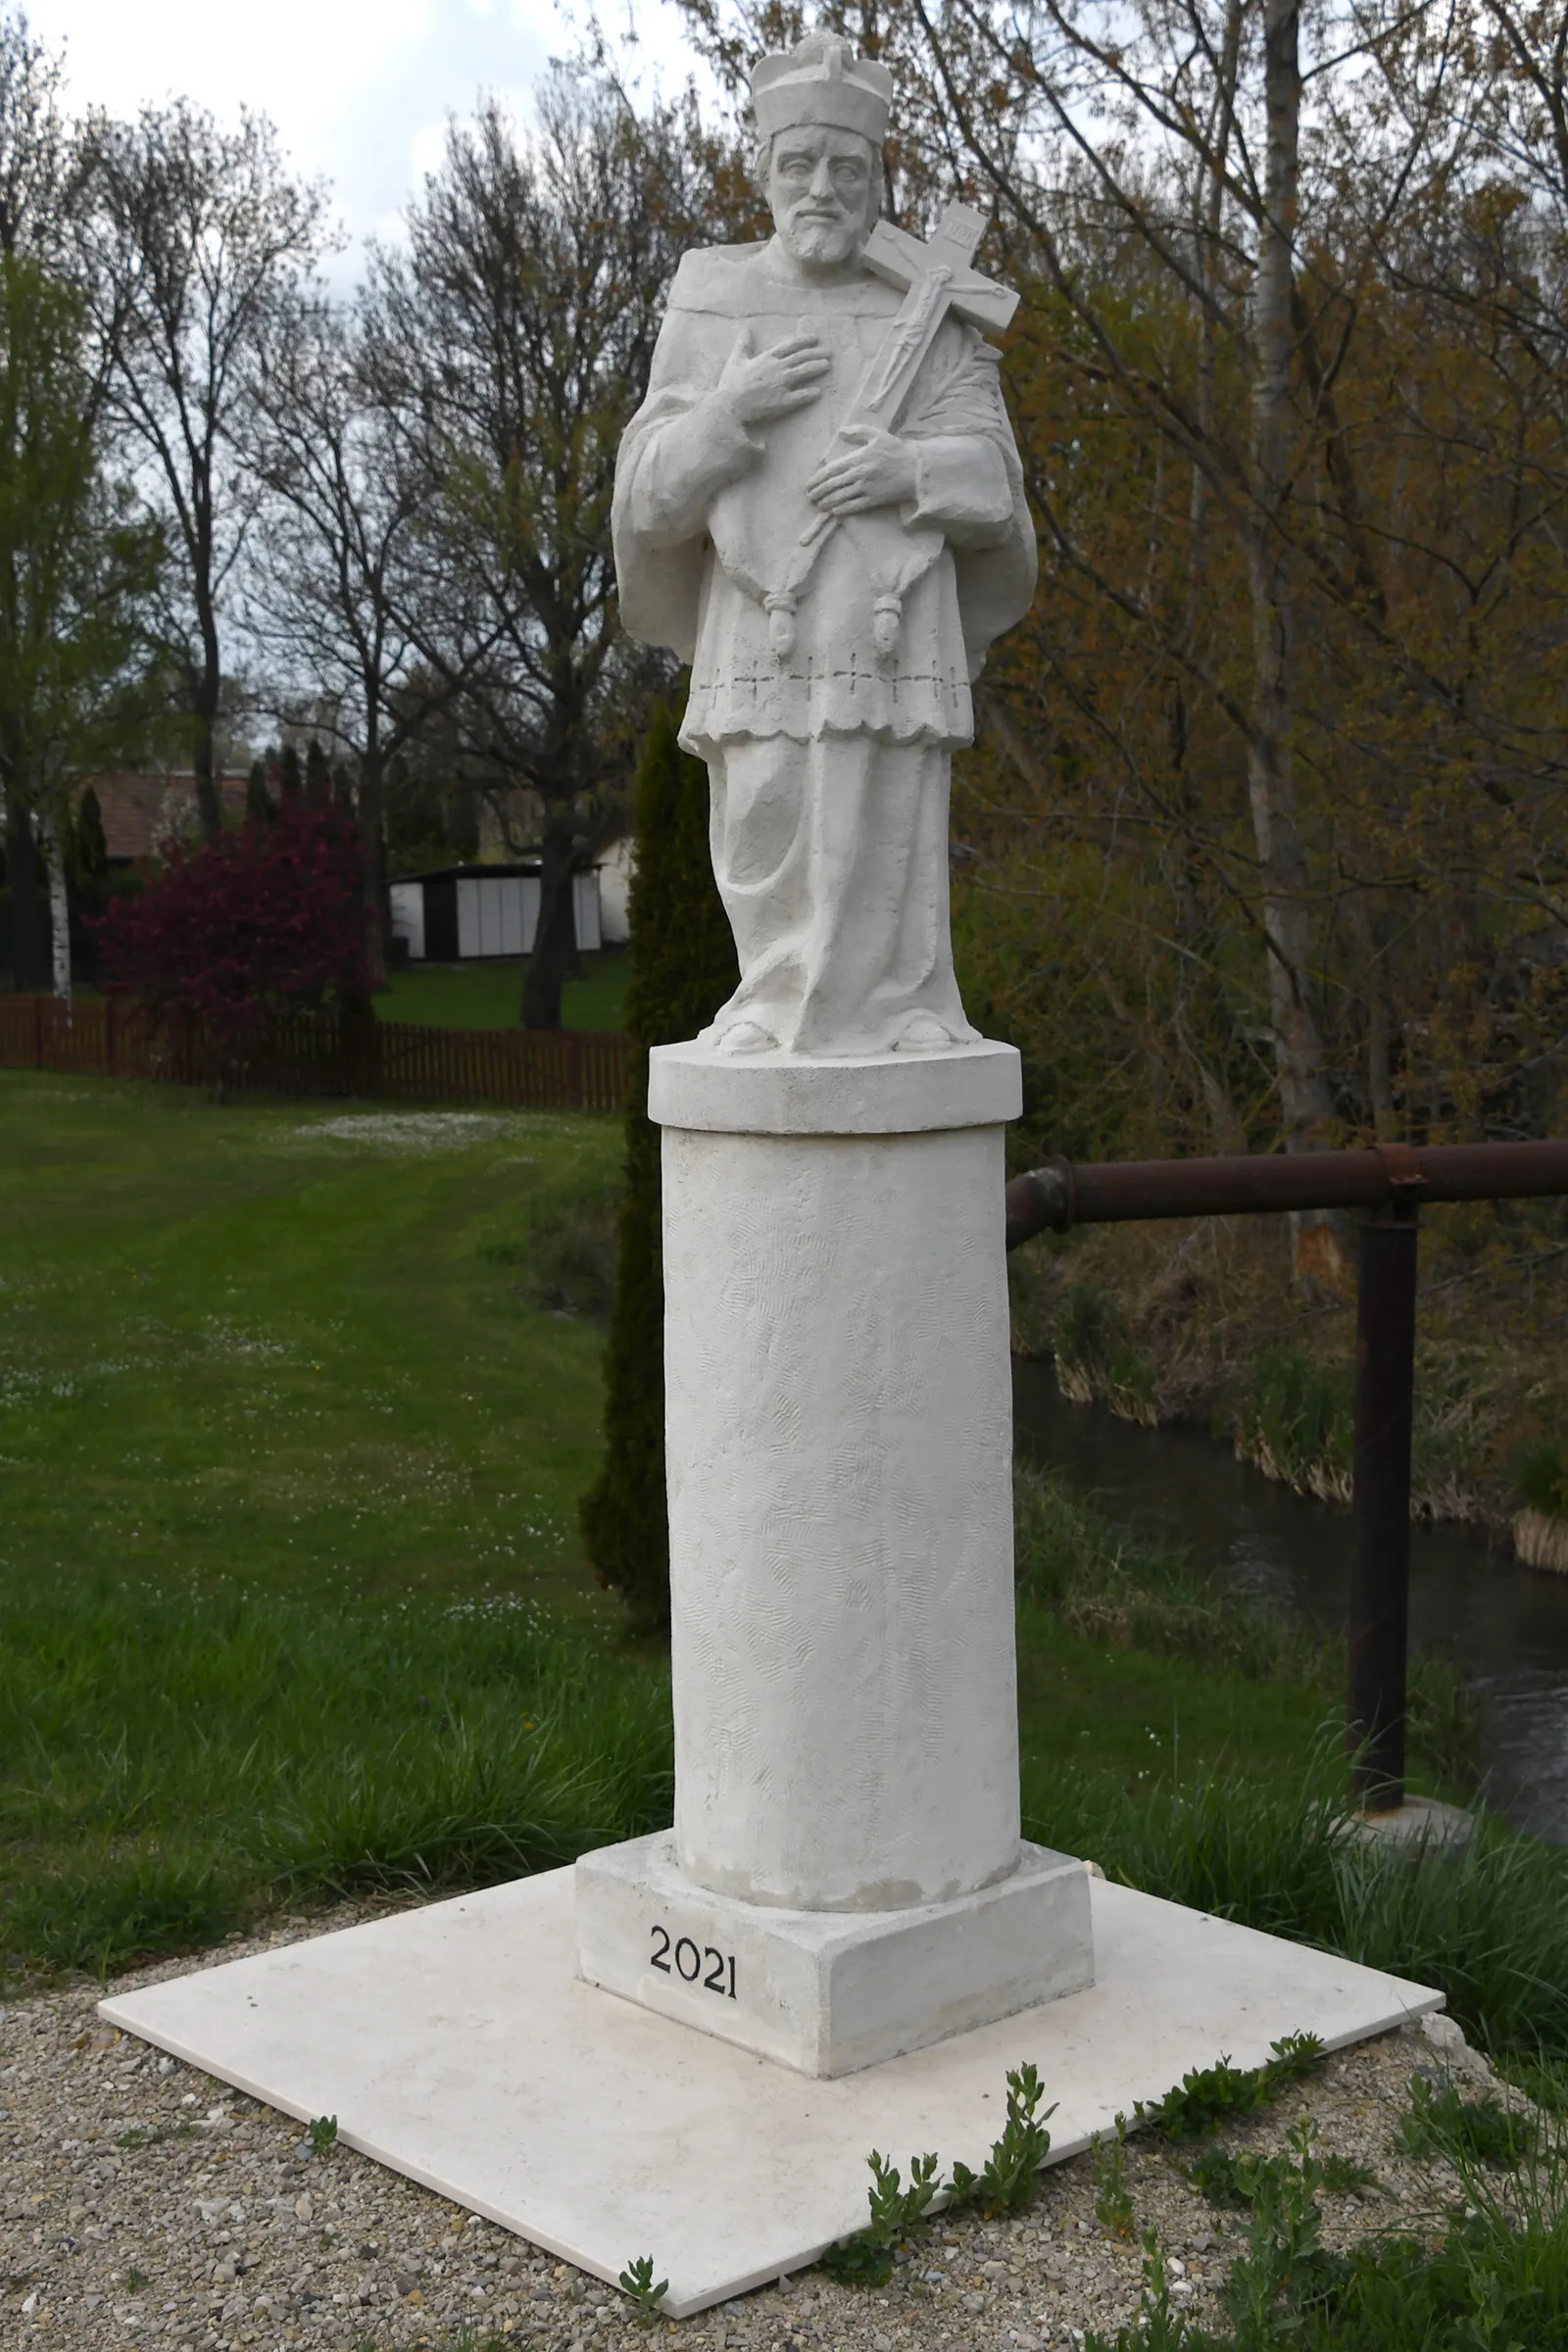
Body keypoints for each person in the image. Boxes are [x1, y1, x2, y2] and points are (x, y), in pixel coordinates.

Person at [612, 31, 1036, 1057]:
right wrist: (728, 412)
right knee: (764, 815)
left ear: (876, 177)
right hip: (761, 621)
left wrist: (909, 472)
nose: (823, 188)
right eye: (798, 164)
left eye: (848, 167)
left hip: (889, 625)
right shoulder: (711, 297)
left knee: (882, 815)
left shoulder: (930, 312)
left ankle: (900, 1005)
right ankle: (768, 1000)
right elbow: (649, 497)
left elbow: (998, 488)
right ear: (763, 174)